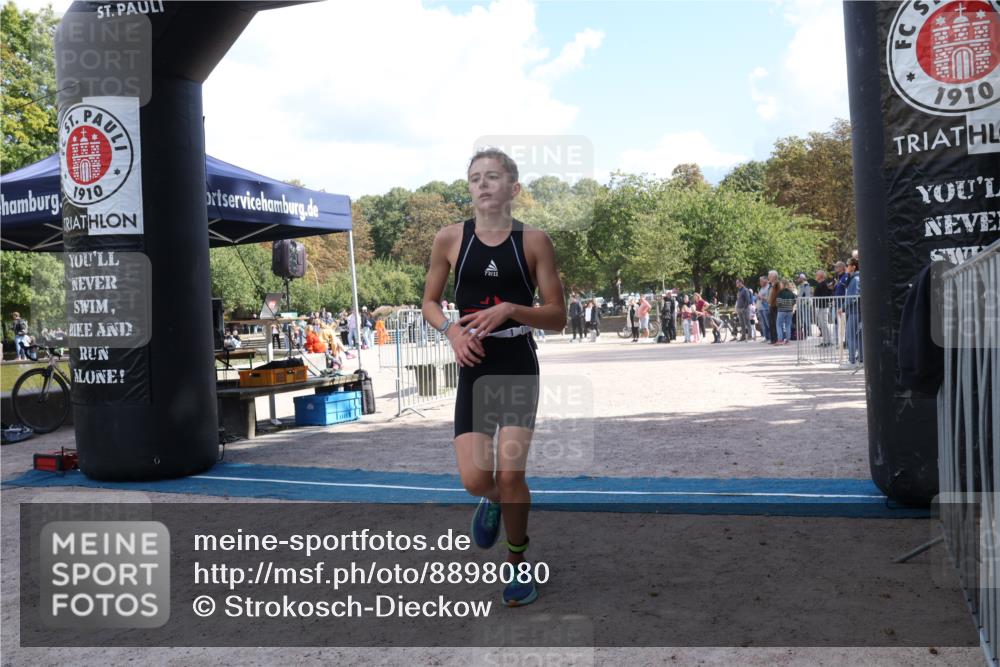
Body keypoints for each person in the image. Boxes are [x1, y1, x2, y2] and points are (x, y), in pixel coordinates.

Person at [421, 148, 566, 608]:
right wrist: (450, 332)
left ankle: (518, 563)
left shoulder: (535, 241)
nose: (482, 184)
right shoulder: (448, 239)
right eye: (474, 178)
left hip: (518, 362)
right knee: (474, 479)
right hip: (474, 364)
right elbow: (430, 303)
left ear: (513, 189)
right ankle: (493, 503)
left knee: (509, 476)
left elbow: (558, 315)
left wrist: (510, 309)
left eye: (492, 177)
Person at [844, 257, 863, 368]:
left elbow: (853, 297)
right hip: (855, 311)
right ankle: (860, 359)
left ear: (853, 267)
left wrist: (843, 307)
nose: (847, 267)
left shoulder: (855, 279)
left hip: (855, 311)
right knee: (858, 336)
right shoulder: (853, 278)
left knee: (851, 335)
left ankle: (852, 360)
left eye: (848, 265)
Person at [813, 270, 834, 347]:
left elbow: (825, 295)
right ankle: (826, 340)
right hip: (820, 306)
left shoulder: (823, 284)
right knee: (822, 324)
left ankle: (827, 341)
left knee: (824, 324)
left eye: (817, 274)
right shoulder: (821, 284)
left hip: (823, 307)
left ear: (821, 276)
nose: (816, 275)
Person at [775, 279, 797, 345]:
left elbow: (778, 302)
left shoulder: (780, 292)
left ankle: (780, 340)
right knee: (788, 325)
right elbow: (794, 301)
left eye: (781, 284)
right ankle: (787, 340)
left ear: (783, 284)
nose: (780, 285)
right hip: (789, 311)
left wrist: (779, 305)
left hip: (781, 310)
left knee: (778, 325)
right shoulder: (791, 292)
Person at [756, 276, 771, 343]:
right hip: (761, 308)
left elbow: (768, 298)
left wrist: (761, 297)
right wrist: (758, 297)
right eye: (760, 281)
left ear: (765, 281)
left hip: (766, 308)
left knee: (768, 323)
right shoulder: (762, 288)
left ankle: (770, 337)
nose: (760, 282)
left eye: (761, 281)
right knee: (763, 324)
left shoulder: (768, 288)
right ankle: (766, 337)